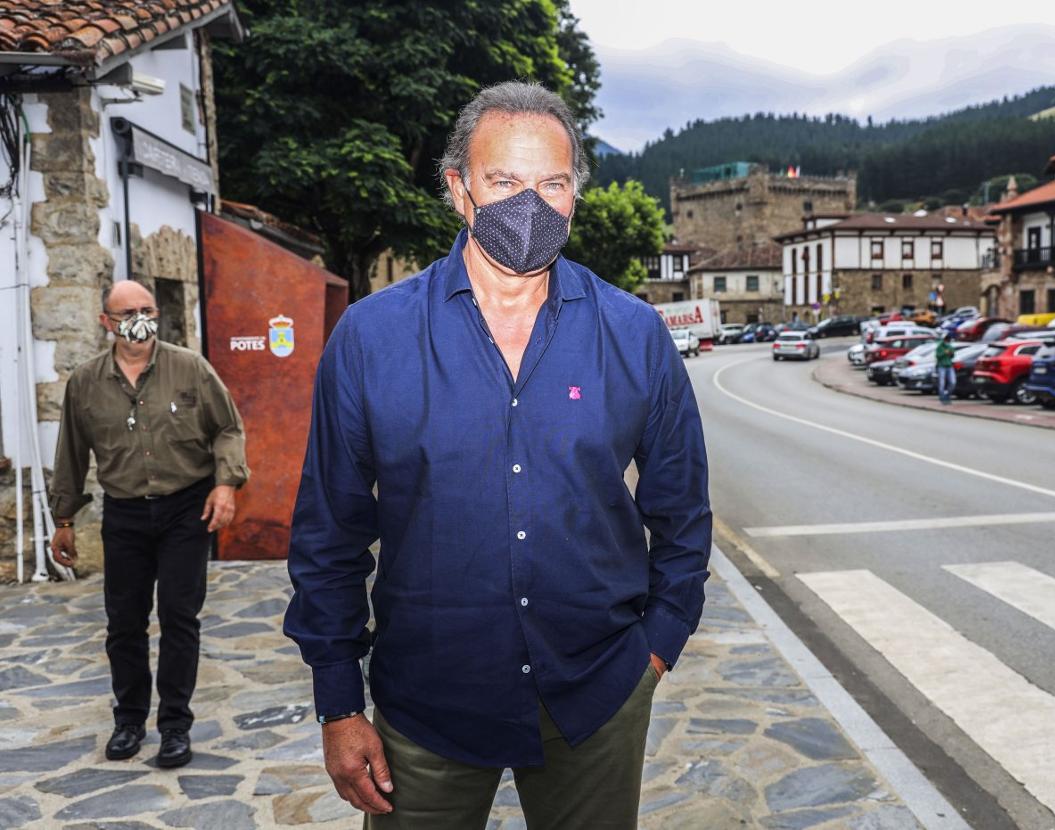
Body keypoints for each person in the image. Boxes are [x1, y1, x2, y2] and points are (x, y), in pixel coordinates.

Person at [284, 81, 712, 829]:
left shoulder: (635, 335)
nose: (530, 206)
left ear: (576, 195)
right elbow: (331, 532)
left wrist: (656, 651)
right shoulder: (370, 338)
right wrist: (338, 701)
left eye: (551, 184)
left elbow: (682, 515)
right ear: (459, 189)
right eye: (505, 182)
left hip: (599, 695)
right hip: (426, 708)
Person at [48, 280, 249, 768]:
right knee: (124, 625)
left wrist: (226, 483)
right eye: (126, 313)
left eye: (146, 309)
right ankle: (129, 721)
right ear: (106, 323)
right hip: (125, 514)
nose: (138, 320)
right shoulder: (86, 382)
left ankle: (175, 725)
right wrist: (64, 519)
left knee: (180, 619)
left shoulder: (190, 368)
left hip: (185, 508)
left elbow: (227, 427)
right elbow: (71, 453)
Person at [935, 331, 957, 404]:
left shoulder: (950, 346)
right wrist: (944, 352)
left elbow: (952, 355)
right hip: (942, 366)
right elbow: (938, 356)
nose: (947, 341)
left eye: (948, 340)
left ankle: (947, 395)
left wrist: (951, 353)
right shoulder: (940, 346)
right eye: (946, 339)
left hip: (949, 366)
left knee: (953, 382)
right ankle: (942, 397)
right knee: (942, 383)